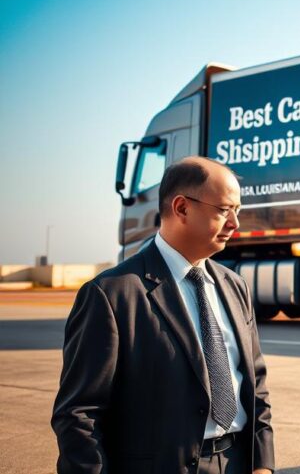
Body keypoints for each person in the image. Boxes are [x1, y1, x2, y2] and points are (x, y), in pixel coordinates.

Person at [52, 157, 274, 474]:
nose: (235, 223)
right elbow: (79, 414)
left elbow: (256, 385)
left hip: (237, 462)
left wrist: (262, 464)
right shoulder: (111, 294)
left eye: (238, 210)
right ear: (182, 208)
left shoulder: (235, 286)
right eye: (225, 210)